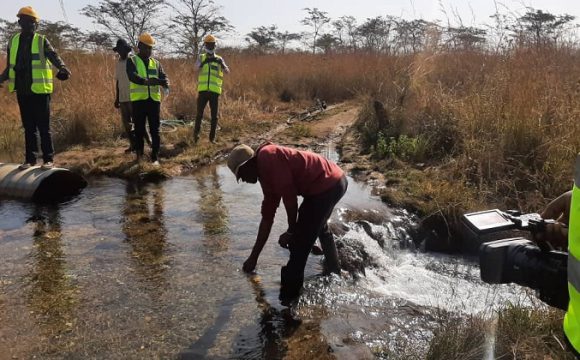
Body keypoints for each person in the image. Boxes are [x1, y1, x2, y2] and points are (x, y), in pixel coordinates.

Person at [227, 142, 348, 301]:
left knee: (299, 243)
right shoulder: (266, 176)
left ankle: (288, 301)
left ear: (248, 164)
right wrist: (254, 257)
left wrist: (291, 232)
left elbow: (290, 201)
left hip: (327, 184)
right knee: (316, 225)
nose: (241, 180)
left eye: (240, 174)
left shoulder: (268, 157)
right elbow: (267, 219)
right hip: (333, 181)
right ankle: (334, 271)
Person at [0, 6, 71, 169]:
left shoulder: (41, 40)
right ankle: (30, 160)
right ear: (20, 22)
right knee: (28, 127)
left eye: (33, 22)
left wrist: (62, 67)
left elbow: (54, 56)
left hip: (40, 91)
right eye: (26, 21)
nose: (30, 25)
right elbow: (10, 66)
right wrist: (2, 78)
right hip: (22, 90)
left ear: (36, 24)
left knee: (43, 127)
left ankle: (48, 159)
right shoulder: (13, 41)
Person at [126, 33, 169, 166]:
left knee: (155, 130)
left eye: (150, 48)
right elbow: (132, 76)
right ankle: (139, 156)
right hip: (139, 101)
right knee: (139, 129)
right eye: (146, 48)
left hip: (154, 101)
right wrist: (146, 82)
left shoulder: (156, 63)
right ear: (139, 46)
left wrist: (166, 83)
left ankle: (155, 157)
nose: (148, 51)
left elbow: (164, 76)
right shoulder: (132, 60)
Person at [193, 35, 230, 144]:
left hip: (214, 92)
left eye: (212, 44)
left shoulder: (219, 58)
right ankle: (196, 137)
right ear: (205, 45)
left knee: (214, 116)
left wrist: (221, 64)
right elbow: (195, 69)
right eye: (209, 44)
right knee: (199, 114)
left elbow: (227, 71)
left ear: (215, 45)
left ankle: (212, 139)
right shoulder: (201, 57)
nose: (210, 46)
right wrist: (205, 62)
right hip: (203, 91)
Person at [113, 39, 136, 153]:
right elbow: (117, 81)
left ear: (127, 50)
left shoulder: (132, 61)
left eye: (122, 49)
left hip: (133, 97)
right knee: (127, 125)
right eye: (119, 50)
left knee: (137, 123)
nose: (120, 52)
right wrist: (117, 98)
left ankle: (144, 145)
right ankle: (132, 146)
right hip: (122, 97)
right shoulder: (118, 63)